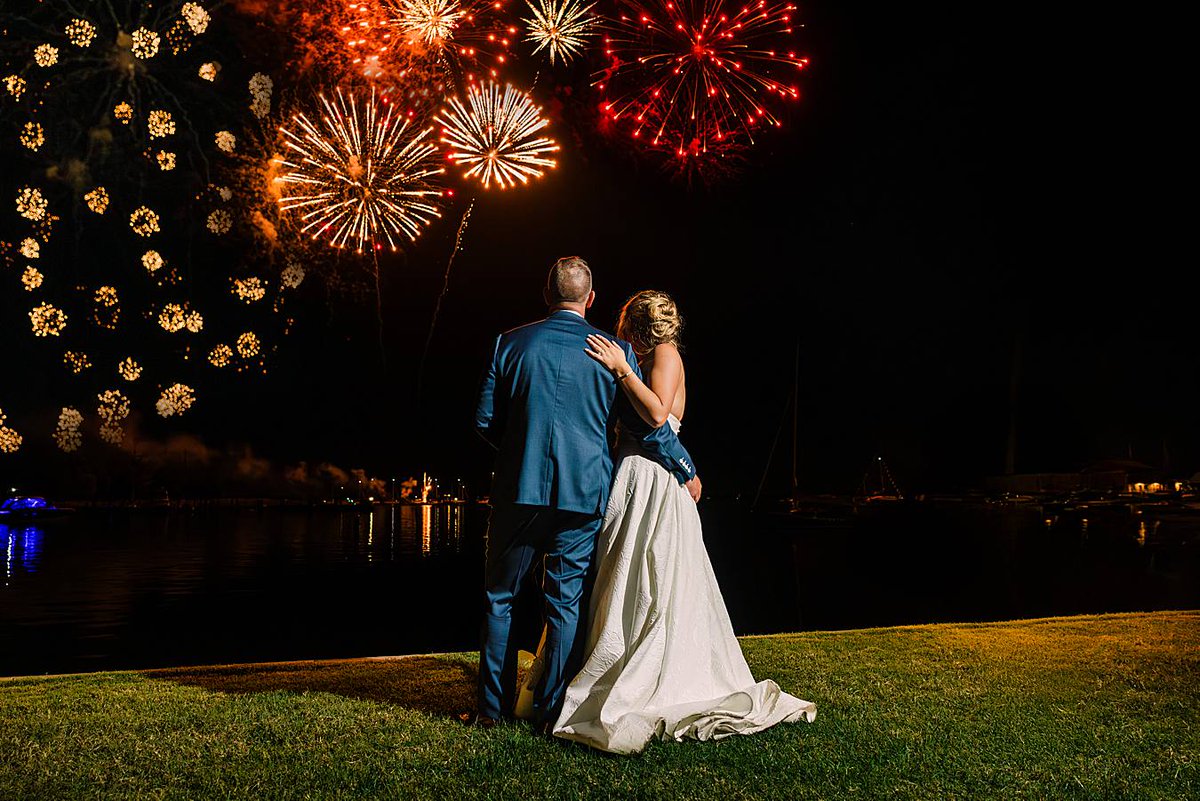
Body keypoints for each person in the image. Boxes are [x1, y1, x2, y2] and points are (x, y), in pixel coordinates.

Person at [552, 289, 817, 753]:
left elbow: (657, 414)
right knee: (624, 575)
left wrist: (620, 369)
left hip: (654, 479)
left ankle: (652, 672)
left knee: (655, 576)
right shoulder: (644, 358)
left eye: (624, 321)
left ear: (637, 324)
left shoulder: (665, 354)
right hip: (632, 475)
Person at [472, 258, 700, 732]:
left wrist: (521, 454)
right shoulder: (612, 351)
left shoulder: (509, 343)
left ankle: (490, 711)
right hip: (584, 495)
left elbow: (485, 421)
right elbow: (647, 427)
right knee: (565, 603)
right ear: (590, 299)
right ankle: (550, 710)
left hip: (519, 492)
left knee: (500, 598)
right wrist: (685, 466)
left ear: (546, 293)